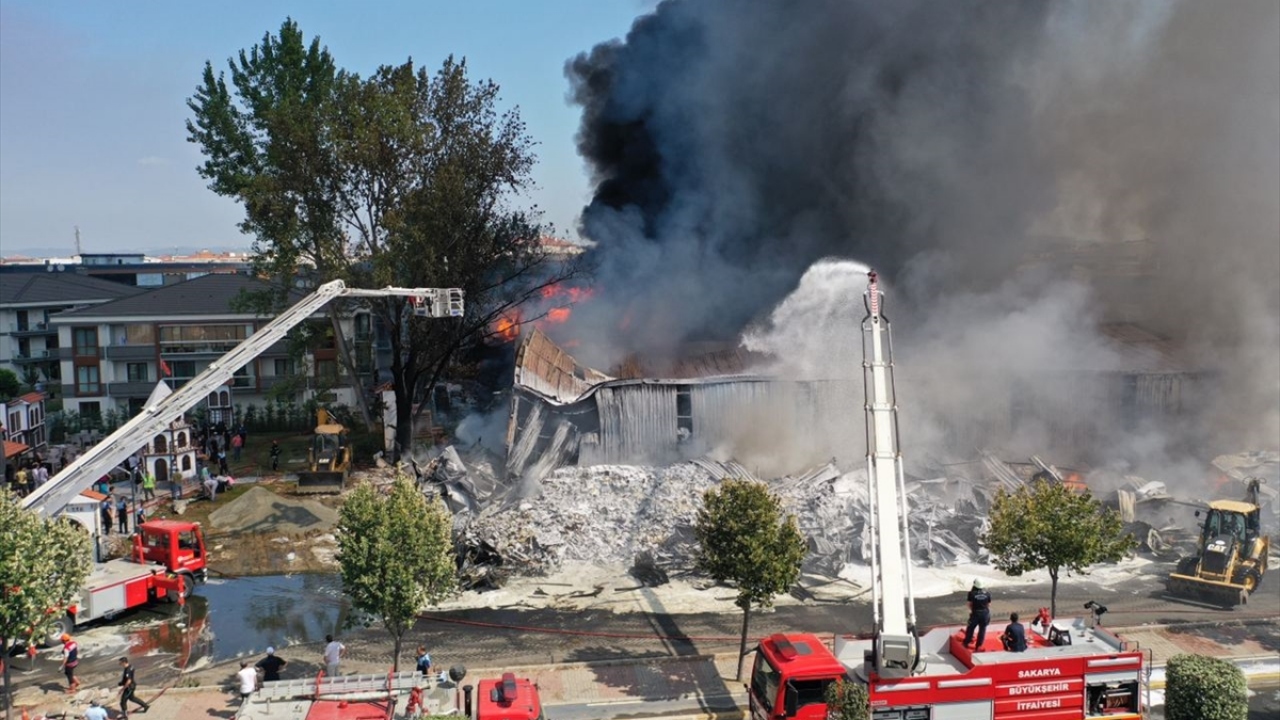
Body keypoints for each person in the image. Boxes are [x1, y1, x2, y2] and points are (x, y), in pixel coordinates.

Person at [961, 578, 992, 651]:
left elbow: (969, 604)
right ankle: (979, 646)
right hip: (984, 614)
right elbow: (989, 604)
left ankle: (966, 642)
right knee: (982, 630)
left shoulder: (971, 593)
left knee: (970, 628)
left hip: (975, 613)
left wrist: (973, 610)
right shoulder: (987, 593)